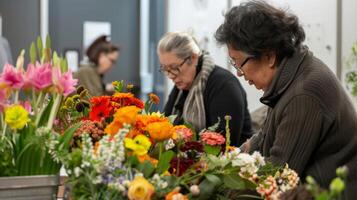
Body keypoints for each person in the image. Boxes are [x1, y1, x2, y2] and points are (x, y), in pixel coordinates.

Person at [215, 1, 357, 199]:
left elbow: (278, 176)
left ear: (269, 56)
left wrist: (218, 186)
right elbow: (263, 137)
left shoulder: (304, 94)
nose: (240, 74)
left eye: (240, 64)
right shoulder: (290, 75)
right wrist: (224, 163)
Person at [158, 31, 252, 147]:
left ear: (193, 57)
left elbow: (222, 145)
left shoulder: (224, 86)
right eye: (165, 69)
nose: (171, 75)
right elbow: (166, 125)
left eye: (174, 67)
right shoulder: (182, 86)